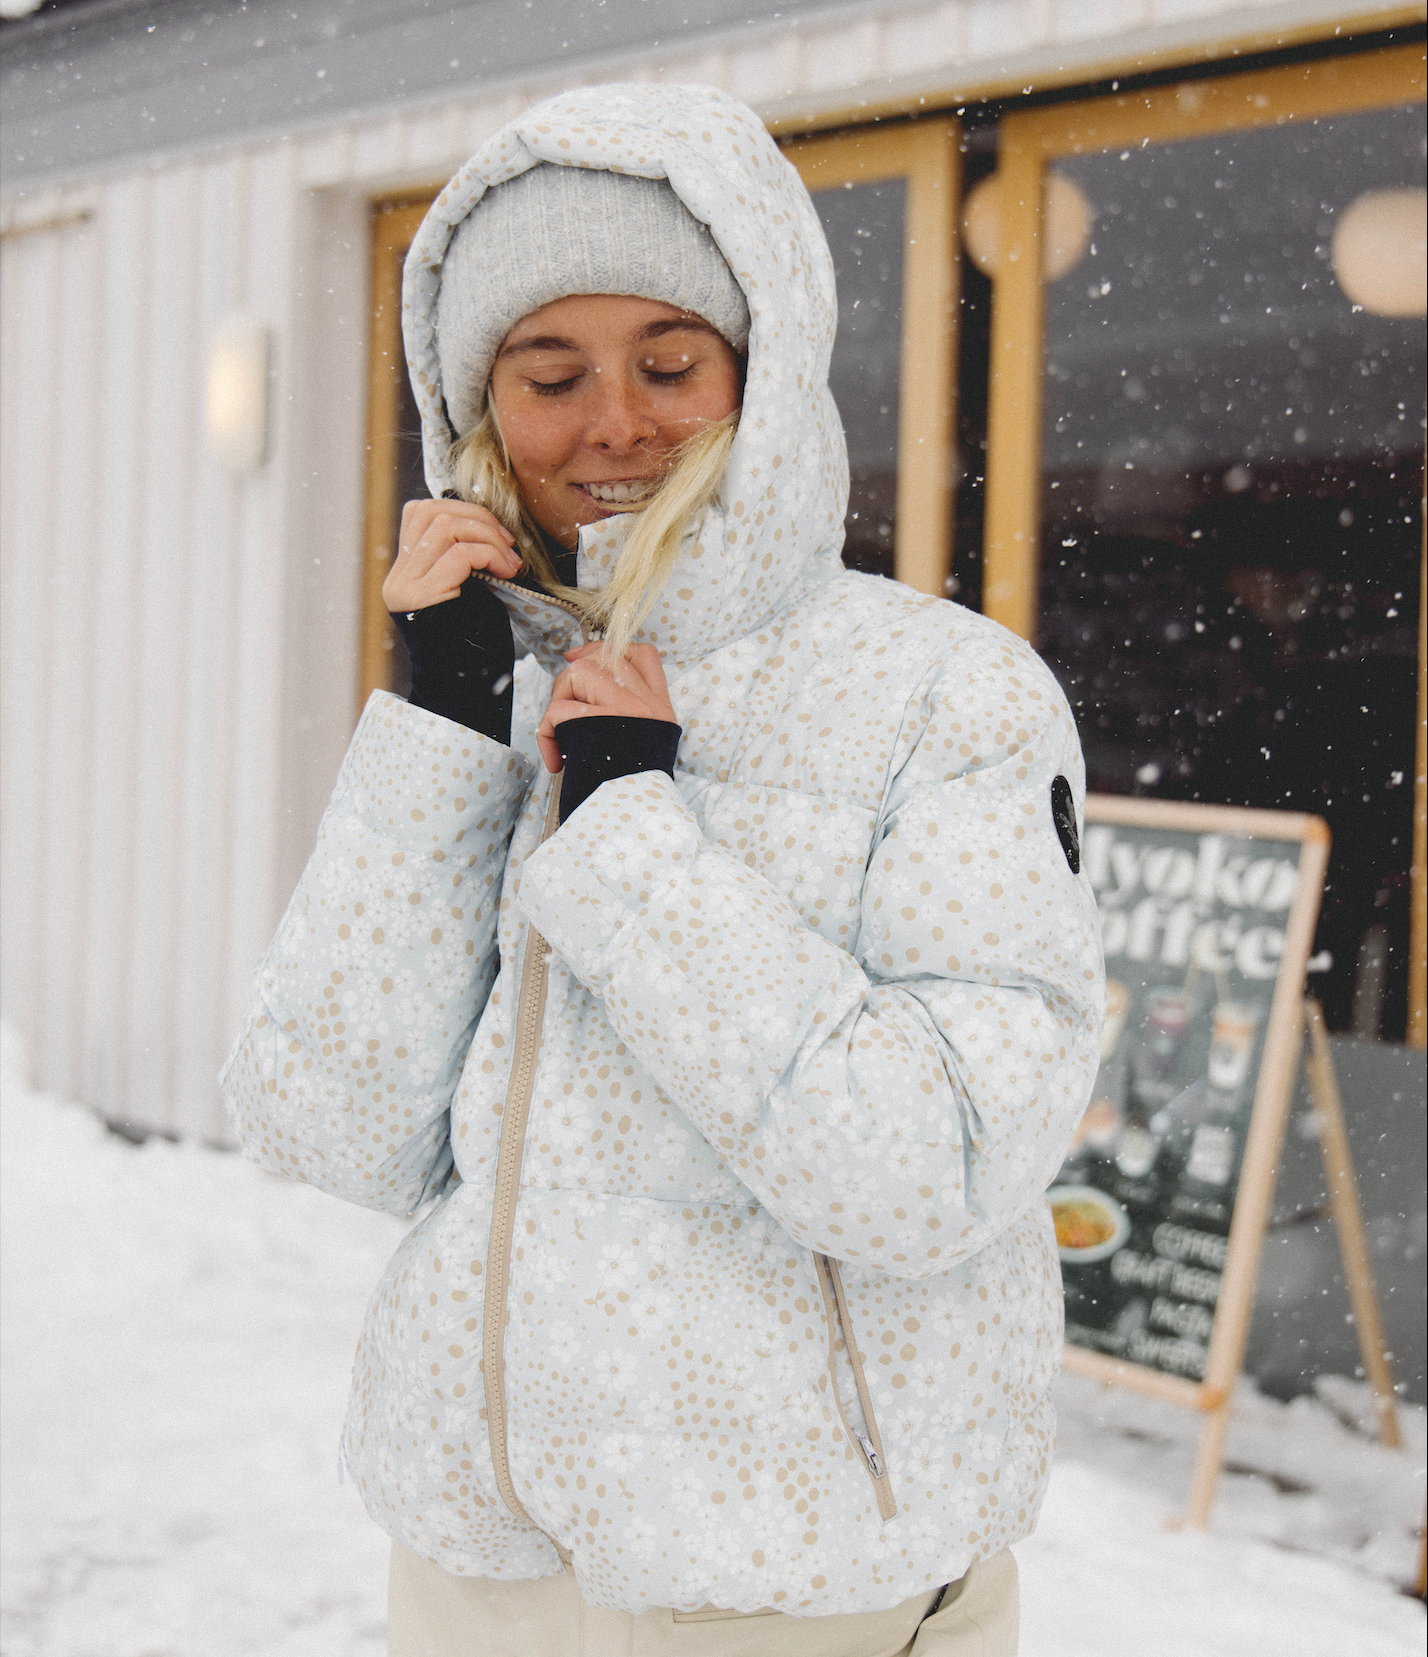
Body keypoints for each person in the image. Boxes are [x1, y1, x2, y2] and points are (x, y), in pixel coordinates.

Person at [222, 81, 1104, 1657]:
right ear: (478, 410)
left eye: (671, 363)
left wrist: (631, 833)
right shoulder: (493, 690)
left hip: (788, 1580)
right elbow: (331, 1127)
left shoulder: (945, 693)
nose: (615, 423)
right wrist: (440, 725)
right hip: (480, 1566)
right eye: (550, 375)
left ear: (764, 372)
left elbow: (935, 1167)